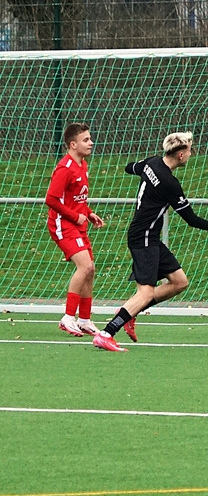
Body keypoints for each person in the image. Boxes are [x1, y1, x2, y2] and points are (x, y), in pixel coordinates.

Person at [92, 132, 208, 352]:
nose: (191, 154)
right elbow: (192, 220)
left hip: (148, 236)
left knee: (179, 282)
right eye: (189, 150)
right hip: (143, 237)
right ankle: (107, 333)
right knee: (145, 293)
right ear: (180, 155)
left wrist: (144, 173)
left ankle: (130, 312)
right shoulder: (169, 183)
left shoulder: (152, 162)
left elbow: (130, 167)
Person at [46, 123, 105, 337]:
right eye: (85, 140)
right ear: (73, 144)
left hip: (78, 224)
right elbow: (51, 199)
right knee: (85, 267)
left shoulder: (82, 165)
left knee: (90, 270)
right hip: (62, 225)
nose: (91, 143)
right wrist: (74, 216)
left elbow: (75, 199)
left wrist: (88, 212)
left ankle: (85, 320)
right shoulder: (65, 168)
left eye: (90, 139)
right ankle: (68, 318)